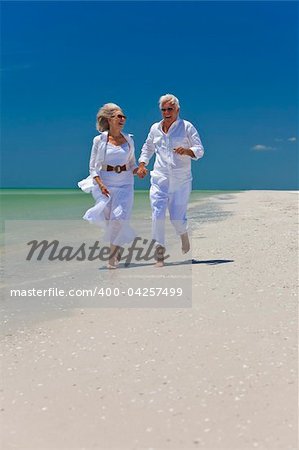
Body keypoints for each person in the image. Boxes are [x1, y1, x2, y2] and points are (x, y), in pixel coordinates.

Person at [137, 94, 204, 267]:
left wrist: (187, 151)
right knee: (157, 213)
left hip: (181, 179)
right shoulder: (155, 128)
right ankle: (159, 254)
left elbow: (199, 150)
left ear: (177, 110)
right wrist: (143, 164)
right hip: (159, 178)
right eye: (164, 109)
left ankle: (183, 234)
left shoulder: (186, 127)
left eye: (170, 109)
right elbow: (148, 147)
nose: (167, 112)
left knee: (176, 218)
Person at [78, 103, 139, 268]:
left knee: (119, 218)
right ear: (109, 119)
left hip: (125, 183)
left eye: (123, 116)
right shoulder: (99, 140)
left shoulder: (129, 140)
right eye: (118, 116)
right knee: (108, 218)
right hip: (104, 182)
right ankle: (116, 245)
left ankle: (112, 257)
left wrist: (138, 170)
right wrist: (100, 184)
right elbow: (92, 167)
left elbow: (132, 163)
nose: (122, 119)